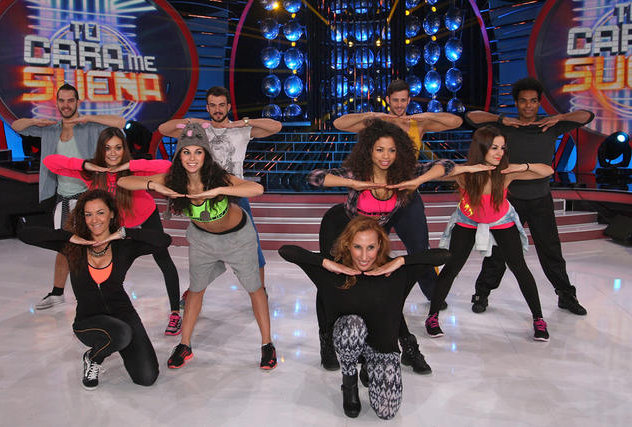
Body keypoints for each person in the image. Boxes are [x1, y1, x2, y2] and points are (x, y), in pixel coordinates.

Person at [118, 122, 277, 370]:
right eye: (186, 152)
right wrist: (154, 185)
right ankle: (185, 345)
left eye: (198, 152)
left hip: (237, 238)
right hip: (203, 240)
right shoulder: (174, 179)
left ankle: (267, 344)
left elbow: (257, 188)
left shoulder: (217, 176)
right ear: (179, 155)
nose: (192, 158)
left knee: (255, 288)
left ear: (206, 154)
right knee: (195, 290)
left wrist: (219, 190)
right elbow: (124, 182)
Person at [308, 118, 455, 372]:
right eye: (379, 150)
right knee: (330, 284)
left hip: (371, 238)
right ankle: (326, 343)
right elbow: (315, 177)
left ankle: (408, 347)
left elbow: (447, 165)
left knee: (388, 292)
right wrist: (353, 184)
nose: (386, 156)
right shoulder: (358, 173)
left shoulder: (403, 174)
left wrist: (418, 181)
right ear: (369, 150)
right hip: (340, 229)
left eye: (391, 150)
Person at [279, 216, 450, 420]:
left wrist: (400, 261)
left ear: (380, 245)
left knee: (387, 412)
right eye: (357, 247)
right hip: (348, 339)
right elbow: (286, 251)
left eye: (370, 247)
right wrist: (326, 263)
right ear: (347, 245)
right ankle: (349, 381)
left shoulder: (396, 272)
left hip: (382, 348)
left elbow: (444, 255)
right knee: (353, 325)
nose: (364, 256)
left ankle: (370, 365)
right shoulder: (332, 272)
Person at [465, 77, 594, 316]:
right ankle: (482, 293)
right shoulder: (506, 127)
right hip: (509, 199)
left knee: (551, 251)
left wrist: (559, 117)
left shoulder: (550, 125)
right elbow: (471, 117)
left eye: (533, 101)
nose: (528, 105)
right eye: (523, 101)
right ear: (516, 103)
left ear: (539, 102)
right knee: (499, 251)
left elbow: (587, 116)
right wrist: (502, 119)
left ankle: (566, 296)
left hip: (540, 198)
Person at [18, 190, 170, 389]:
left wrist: (125, 232)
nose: (94, 220)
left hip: (123, 314)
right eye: (88, 214)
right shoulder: (72, 247)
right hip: (88, 321)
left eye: (100, 213)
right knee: (122, 333)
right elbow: (25, 234)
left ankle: (113, 344)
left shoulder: (124, 246)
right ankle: (93, 358)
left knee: (147, 377)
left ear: (111, 214)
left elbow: (164, 240)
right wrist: (70, 236)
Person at [42, 127, 182, 335]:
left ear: (124, 149)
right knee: (112, 268)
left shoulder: (132, 170)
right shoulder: (93, 173)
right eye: (107, 148)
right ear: (101, 149)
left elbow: (167, 166)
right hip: (117, 225)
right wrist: (85, 164)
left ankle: (175, 312)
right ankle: (109, 312)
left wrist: (129, 164)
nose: (113, 153)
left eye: (118, 148)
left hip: (144, 214)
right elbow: (50, 162)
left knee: (162, 257)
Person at [425, 125, 553, 342]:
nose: (499, 153)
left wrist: (523, 166)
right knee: (452, 267)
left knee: (519, 267)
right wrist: (464, 169)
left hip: (501, 219)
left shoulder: (505, 172)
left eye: (502, 148)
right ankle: (432, 317)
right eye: (494, 148)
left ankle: (539, 319)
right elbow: (431, 171)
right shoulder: (465, 174)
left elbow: (548, 171)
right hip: (468, 219)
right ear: (481, 148)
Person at [158, 86, 282, 297]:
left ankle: (260, 290)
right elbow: (164, 129)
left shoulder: (240, 130)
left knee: (252, 245)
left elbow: (276, 126)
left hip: (236, 194)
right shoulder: (200, 131)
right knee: (202, 248)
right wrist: (191, 121)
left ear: (228, 106)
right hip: (206, 196)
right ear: (207, 107)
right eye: (213, 105)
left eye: (221, 105)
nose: (217, 109)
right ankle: (194, 292)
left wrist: (243, 122)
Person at [11, 83, 125, 310]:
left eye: (70, 100)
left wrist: (88, 118)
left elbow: (120, 123)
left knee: (96, 247)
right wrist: (35, 122)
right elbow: (16, 125)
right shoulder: (50, 129)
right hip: (62, 197)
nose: (66, 105)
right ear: (57, 103)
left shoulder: (88, 126)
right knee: (64, 246)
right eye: (62, 101)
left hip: (89, 197)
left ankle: (101, 293)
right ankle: (57, 292)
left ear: (77, 102)